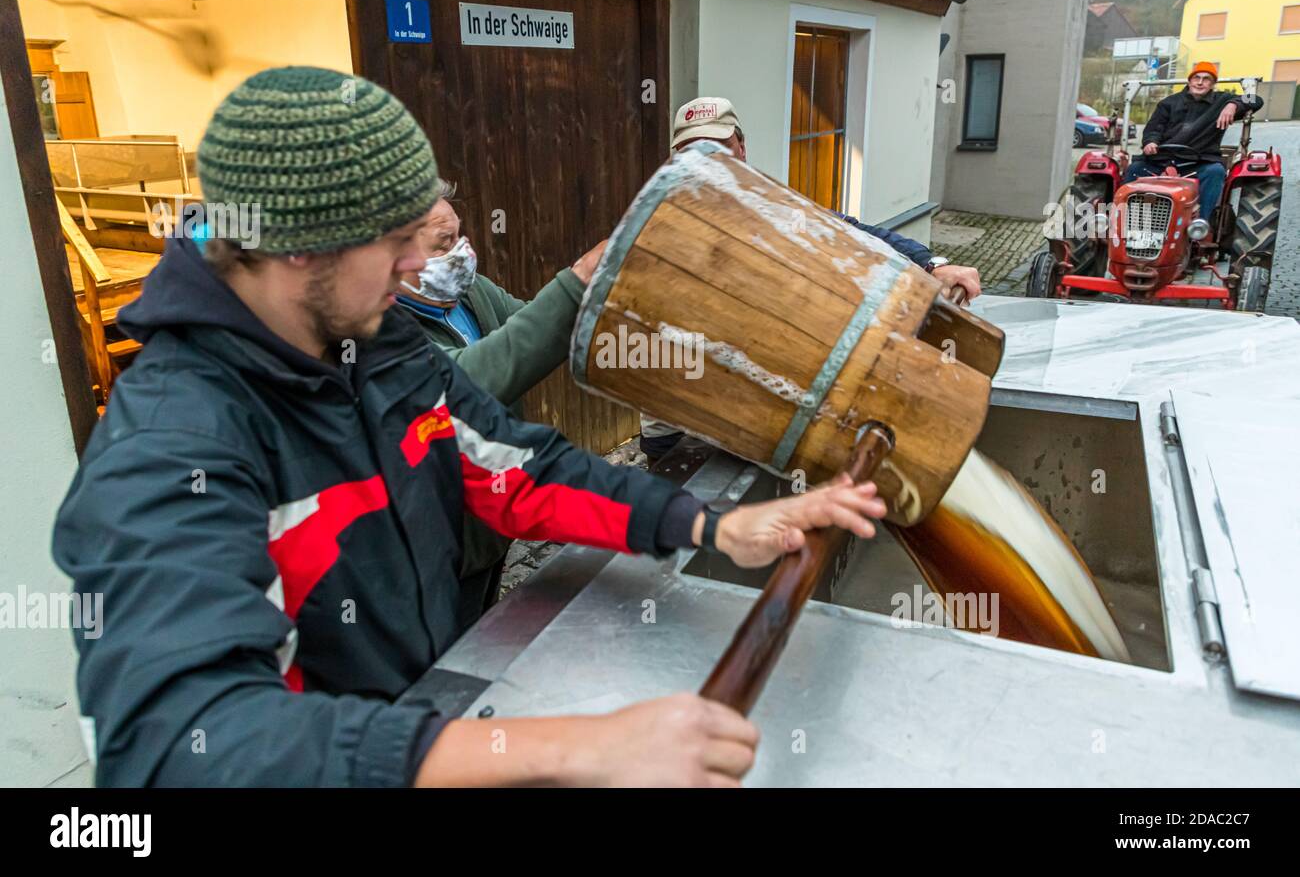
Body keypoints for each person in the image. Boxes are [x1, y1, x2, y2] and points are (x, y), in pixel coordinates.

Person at [52, 67, 888, 788]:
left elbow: (516, 468)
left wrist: (714, 524)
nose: (420, 264)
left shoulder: (372, 347)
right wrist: (580, 748)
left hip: (431, 718)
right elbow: (185, 745)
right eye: (396, 240)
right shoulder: (171, 448)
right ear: (301, 249)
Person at [641, 96, 981, 465]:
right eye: (693, 151)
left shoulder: (770, 207)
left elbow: (848, 233)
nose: (707, 161)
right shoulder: (664, 226)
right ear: (677, 160)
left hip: (754, 420)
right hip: (682, 432)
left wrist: (931, 265)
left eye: (718, 147)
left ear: (741, 149)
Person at [393, 184, 606, 625]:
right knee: (446, 665)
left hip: (491, 527)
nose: (463, 252)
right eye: (444, 243)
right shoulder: (382, 332)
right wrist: (574, 283)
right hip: (435, 550)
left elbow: (531, 327)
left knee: (485, 630)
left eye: (460, 235)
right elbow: (471, 378)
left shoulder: (469, 294)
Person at [1120, 62, 1262, 220]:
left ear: (1213, 83)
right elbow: (1154, 128)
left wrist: (1233, 105)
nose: (1200, 82)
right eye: (1197, 77)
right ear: (1190, 81)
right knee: (1135, 168)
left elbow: (1256, 99)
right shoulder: (1169, 103)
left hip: (1198, 163)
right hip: (1162, 160)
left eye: (1206, 79)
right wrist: (1150, 142)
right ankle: (1123, 221)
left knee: (1216, 172)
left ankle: (1201, 224)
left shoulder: (1222, 100)